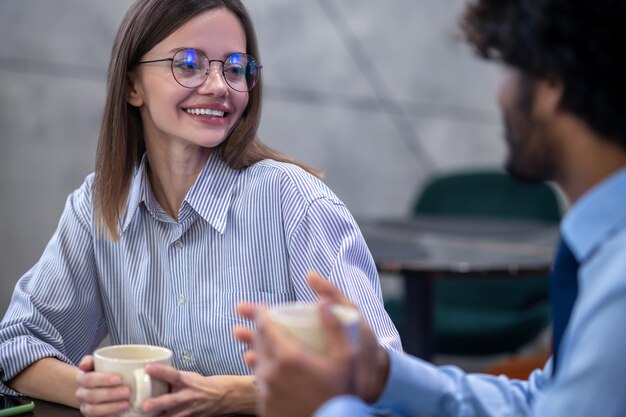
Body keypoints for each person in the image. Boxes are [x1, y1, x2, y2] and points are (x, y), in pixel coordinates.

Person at [0, 0, 402, 415]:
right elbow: (16, 344)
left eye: (234, 68)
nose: (218, 85)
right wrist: (87, 389)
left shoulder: (294, 201)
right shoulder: (98, 205)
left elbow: (380, 374)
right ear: (131, 86)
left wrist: (231, 395)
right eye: (188, 64)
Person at [236, 0, 626, 415]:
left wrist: (325, 409)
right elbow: (538, 403)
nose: (499, 94)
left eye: (509, 68)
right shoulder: (604, 255)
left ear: (551, 85)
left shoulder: (618, 283)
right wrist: (383, 374)